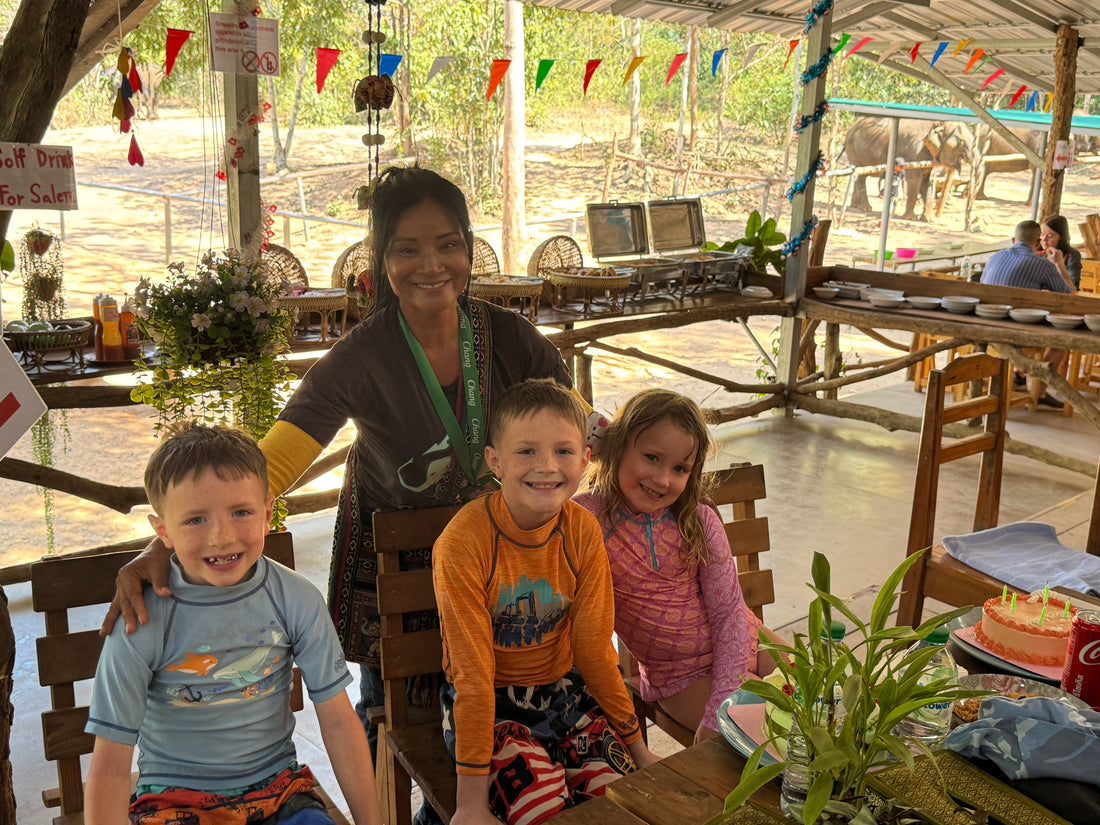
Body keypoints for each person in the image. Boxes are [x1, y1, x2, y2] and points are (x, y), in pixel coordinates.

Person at [104, 166, 576, 823]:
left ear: (469, 247)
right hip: (398, 568)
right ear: (381, 262)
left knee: (482, 708)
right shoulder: (363, 354)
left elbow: (574, 428)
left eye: (447, 243)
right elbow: (269, 465)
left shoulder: (510, 338)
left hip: (493, 560)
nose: (430, 264)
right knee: (392, 714)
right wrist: (171, 542)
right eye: (406, 248)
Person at [85, 422, 380, 825]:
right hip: (175, 804)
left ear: (268, 513)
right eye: (195, 520)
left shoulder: (294, 598)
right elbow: (111, 764)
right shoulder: (142, 620)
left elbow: (339, 720)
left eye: (241, 512)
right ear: (162, 531)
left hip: (278, 794)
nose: (222, 537)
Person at [433, 379, 659, 825]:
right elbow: (473, 676)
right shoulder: (463, 544)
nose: (547, 466)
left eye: (562, 451)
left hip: (567, 693)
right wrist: (471, 805)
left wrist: (640, 750)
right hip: (493, 705)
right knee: (542, 808)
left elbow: (595, 650)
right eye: (526, 452)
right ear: (495, 461)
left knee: (623, 802)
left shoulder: (582, 531)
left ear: (584, 459)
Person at [574, 389, 782, 744]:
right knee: (773, 733)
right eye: (651, 457)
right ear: (619, 445)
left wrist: (723, 705)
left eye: (680, 468)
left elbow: (730, 614)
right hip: (681, 676)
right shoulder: (588, 518)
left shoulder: (698, 519)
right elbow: (545, 494)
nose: (663, 479)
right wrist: (723, 713)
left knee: (823, 702)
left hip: (749, 641)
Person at [980, 220, 1075, 409]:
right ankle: (1038, 393)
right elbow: (1069, 295)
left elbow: (983, 283)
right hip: (1013, 332)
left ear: (1013, 239)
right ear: (1037, 243)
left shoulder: (995, 257)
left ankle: (1016, 376)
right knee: (1059, 343)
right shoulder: (1042, 265)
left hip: (983, 323)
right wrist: (1060, 266)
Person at [1040, 214, 1083, 290]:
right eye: (1042, 234)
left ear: (1061, 238)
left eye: (1050, 236)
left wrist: (1059, 264)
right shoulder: (1038, 253)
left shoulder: (1071, 255)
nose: (1044, 239)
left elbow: (1073, 286)